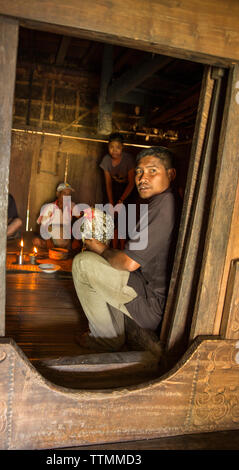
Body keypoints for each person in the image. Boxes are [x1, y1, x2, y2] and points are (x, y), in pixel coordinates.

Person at [72, 146, 179, 352]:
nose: (142, 178)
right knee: (107, 264)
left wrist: (101, 249)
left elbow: (129, 263)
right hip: (149, 291)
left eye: (152, 171)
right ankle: (112, 332)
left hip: (152, 306)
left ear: (171, 174)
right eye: (139, 172)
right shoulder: (164, 201)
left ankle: (106, 338)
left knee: (83, 264)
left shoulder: (164, 204)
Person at [99, 133, 135, 249]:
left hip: (127, 192)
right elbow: (108, 184)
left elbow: (132, 183)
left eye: (118, 147)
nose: (114, 151)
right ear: (108, 147)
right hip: (113, 191)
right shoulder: (106, 160)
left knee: (123, 222)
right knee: (112, 220)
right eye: (111, 147)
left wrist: (120, 201)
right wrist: (111, 203)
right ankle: (113, 249)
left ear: (122, 147)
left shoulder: (128, 159)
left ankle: (123, 248)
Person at [33, 182, 77, 250]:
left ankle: (61, 246)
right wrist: (48, 241)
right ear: (58, 194)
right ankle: (53, 246)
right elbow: (41, 227)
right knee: (37, 241)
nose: (67, 197)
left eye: (69, 194)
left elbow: (82, 216)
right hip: (52, 238)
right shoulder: (49, 207)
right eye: (64, 193)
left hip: (65, 238)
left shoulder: (71, 206)